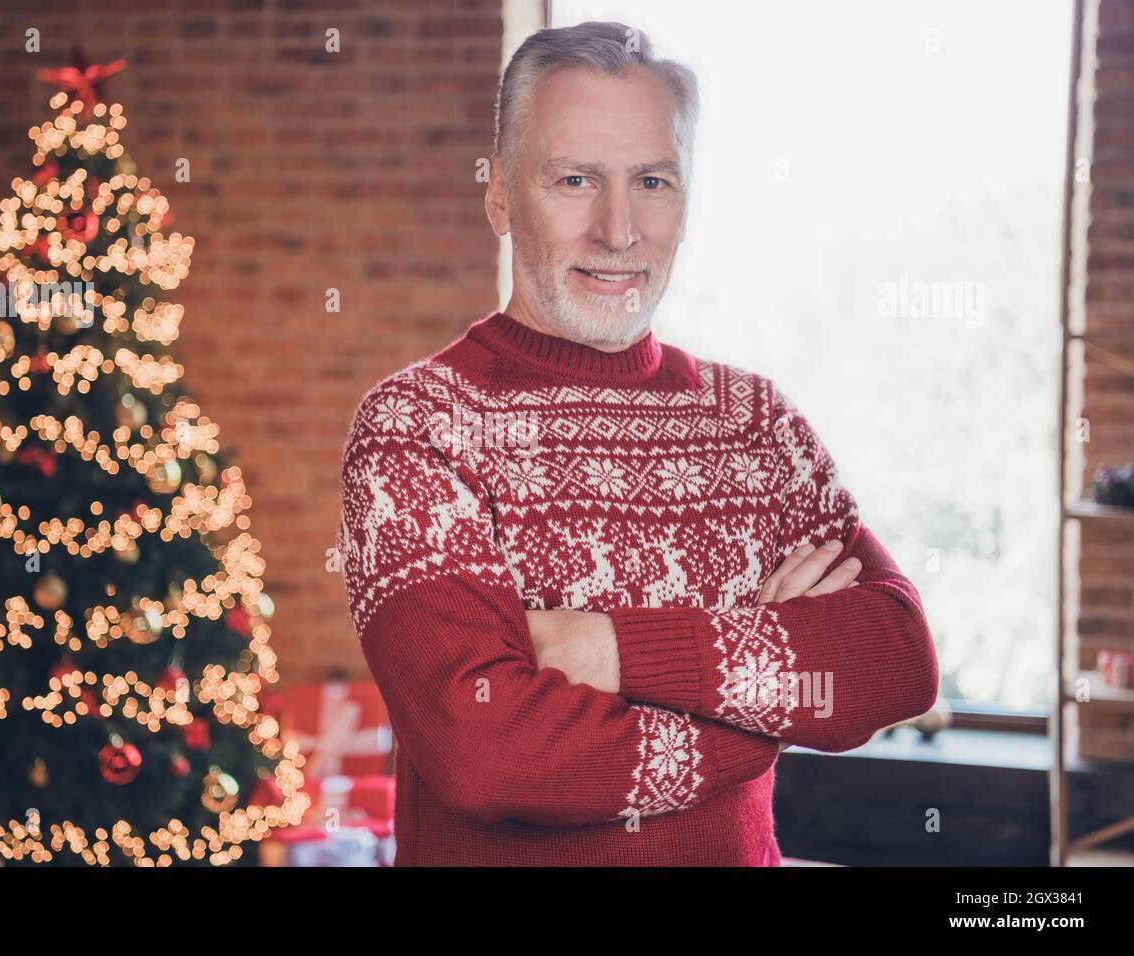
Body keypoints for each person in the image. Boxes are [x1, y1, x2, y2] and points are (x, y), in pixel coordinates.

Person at [336, 20, 938, 866]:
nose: (619, 230)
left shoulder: (755, 424)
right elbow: (491, 756)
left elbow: (894, 663)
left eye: (652, 181)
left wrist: (605, 649)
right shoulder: (418, 426)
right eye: (576, 179)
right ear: (501, 195)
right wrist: (760, 711)